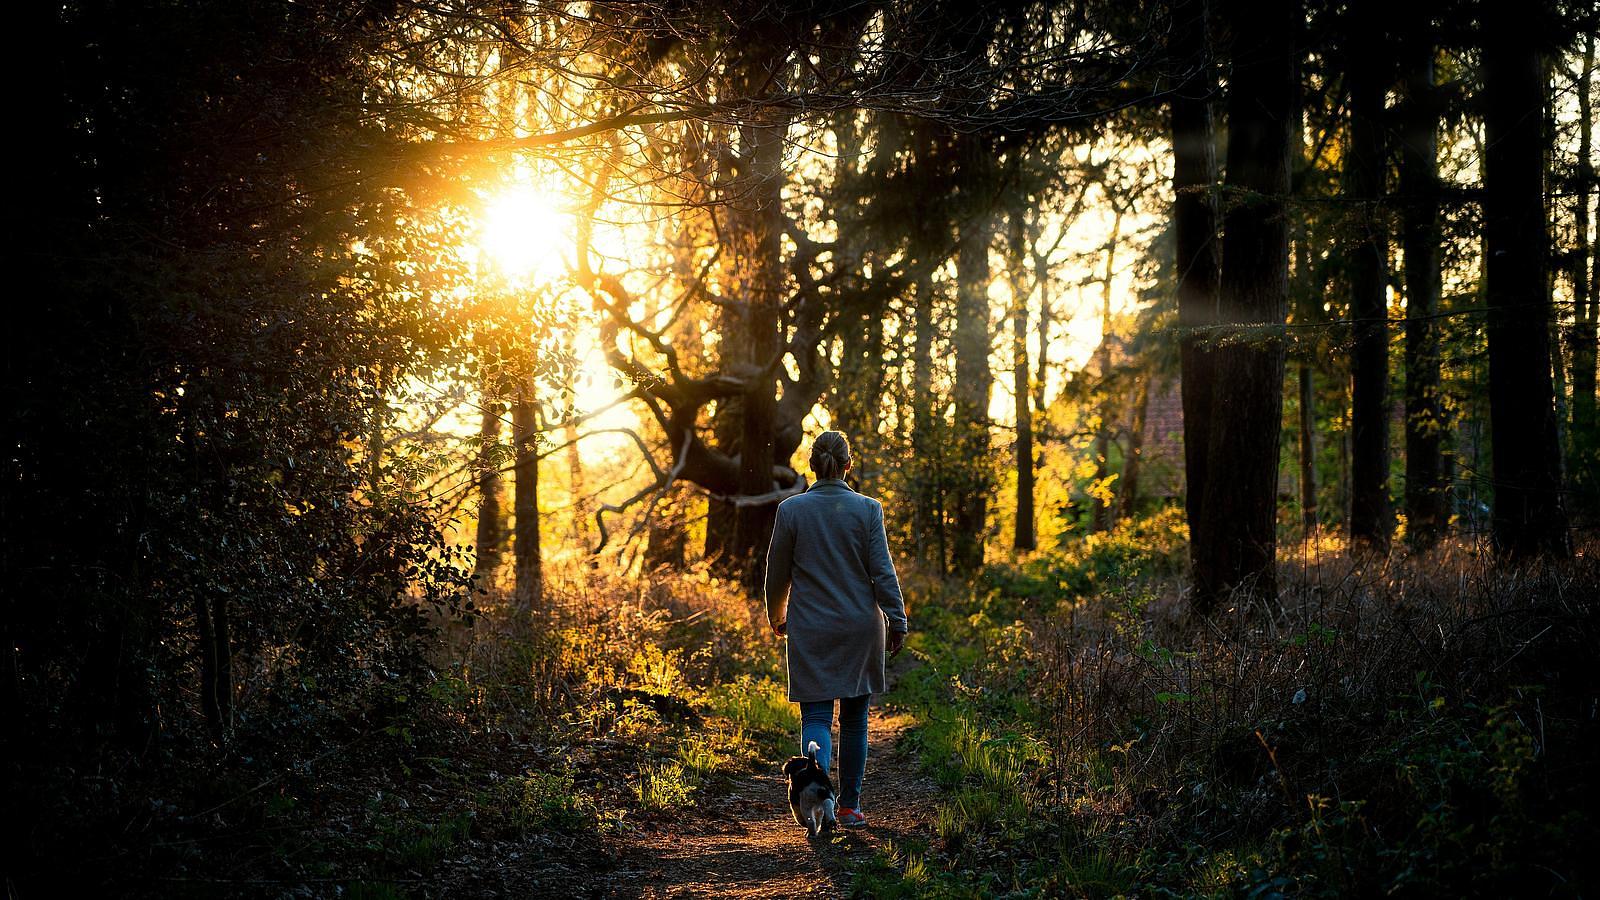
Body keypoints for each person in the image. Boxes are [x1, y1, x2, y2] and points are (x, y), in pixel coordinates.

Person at [764, 430, 909, 829]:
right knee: (855, 721)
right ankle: (849, 807)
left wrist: (777, 614)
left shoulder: (791, 511)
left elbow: (776, 574)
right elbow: (882, 571)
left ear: (812, 466)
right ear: (848, 465)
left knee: (815, 717)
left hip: (810, 627)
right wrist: (897, 619)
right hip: (860, 628)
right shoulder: (868, 509)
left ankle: (814, 785)